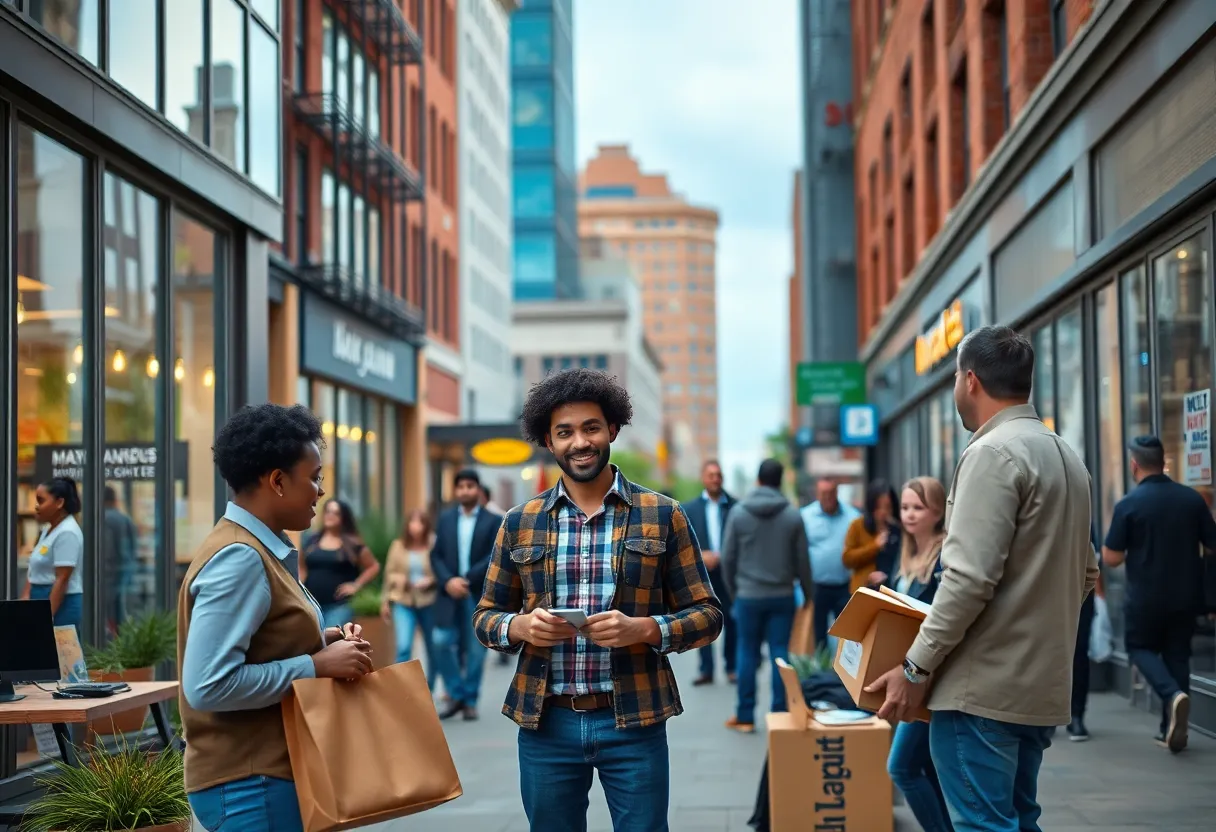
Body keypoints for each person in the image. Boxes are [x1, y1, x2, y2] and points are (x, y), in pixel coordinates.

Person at [866, 325, 1096, 832]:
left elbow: (967, 581)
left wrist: (913, 669)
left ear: (970, 381)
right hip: (1038, 686)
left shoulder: (991, 453)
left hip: (982, 689)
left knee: (984, 824)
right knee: (1017, 819)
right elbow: (1087, 573)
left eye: (952, 377)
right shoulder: (1068, 458)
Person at [472, 368, 722, 832]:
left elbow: (708, 615)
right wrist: (520, 627)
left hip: (634, 720)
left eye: (590, 428)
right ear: (548, 440)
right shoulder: (519, 521)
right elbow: (485, 616)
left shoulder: (663, 514)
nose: (579, 442)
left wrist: (644, 629)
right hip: (546, 723)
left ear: (612, 429)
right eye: (564, 432)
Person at [178, 403, 373, 832]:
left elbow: (257, 644)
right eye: (315, 477)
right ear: (278, 481)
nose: (321, 491)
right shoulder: (241, 557)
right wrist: (315, 665)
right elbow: (207, 685)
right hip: (250, 783)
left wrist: (323, 641)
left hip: (260, 778)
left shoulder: (256, 547)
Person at [1102, 434, 1216, 753]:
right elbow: (1212, 544)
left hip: (1146, 597)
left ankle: (1170, 694)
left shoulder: (1129, 504)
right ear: (1162, 462)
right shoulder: (1191, 500)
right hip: (1186, 596)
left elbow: (1111, 556)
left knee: (1138, 648)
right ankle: (1171, 728)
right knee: (1178, 654)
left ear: (1134, 464)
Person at [870, 477, 953, 832]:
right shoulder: (905, 554)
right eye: (904, 507)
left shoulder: (945, 557)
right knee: (928, 768)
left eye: (918, 507)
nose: (909, 514)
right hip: (908, 670)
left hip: (929, 676)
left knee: (902, 767)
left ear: (938, 511)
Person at [720, 458, 813, 734]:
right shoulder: (792, 515)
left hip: (748, 596)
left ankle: (745, 716)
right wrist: (808, 594)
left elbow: (727, 559)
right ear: (780, 481)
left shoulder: (738, 513)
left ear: (759, 480)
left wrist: (735, 592)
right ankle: (780, 713)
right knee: (780, 653)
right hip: (782, 595)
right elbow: (803, 561)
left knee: (746, 652)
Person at [432, 468, 500, 720]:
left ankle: (469, 700)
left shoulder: (493, 521)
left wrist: (465, 579)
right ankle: (456, 693)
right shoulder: (445, 519)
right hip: (449, 593)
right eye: (461, 487)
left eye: (470, 486)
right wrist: (448, 580)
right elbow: (435, 554)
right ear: (455, 490)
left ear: (478, 490)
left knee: (476, 650)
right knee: (440, 641)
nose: (465, 491)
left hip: (478, 593)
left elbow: (493, 555)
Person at [682, 459, 738, 685]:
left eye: (718, 475)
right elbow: (683, 540)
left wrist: (724, 555)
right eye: (711, 475)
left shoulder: (735, 506)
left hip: (728, 572)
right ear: (703, 478)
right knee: (702, 619)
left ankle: (732, 666)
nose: (715, 479)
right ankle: (706, 669)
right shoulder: (689, 508)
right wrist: (700, 555)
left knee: (731, 620)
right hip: (701, 572)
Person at [300, 498, 381, 629]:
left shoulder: (352, 544)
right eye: (328, 511)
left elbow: (373, 566)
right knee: (312, 644)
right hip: (311, 604)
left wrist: (356, 585)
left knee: (330, 641)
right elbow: (302, 567)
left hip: (339, 605)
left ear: (344, 517)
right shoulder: (311, 541)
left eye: (335, 513)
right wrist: (299, 588)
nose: (330, 515)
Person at [800, 478, 860, 649]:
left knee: (847, 633)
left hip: (845, 585)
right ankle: (822, 669)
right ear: (817, 494)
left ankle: (843, 670)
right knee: (818, 632)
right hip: (816, 586)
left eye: (831, 493)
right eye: (823, 494)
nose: (827, 498)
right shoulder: (805, 517)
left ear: (837, 493)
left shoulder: (853, 517)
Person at [380, 509, 438, 680]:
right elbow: (388, 573)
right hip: (402, 600)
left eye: (420, 523)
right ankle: (400, 687)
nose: (416, 527)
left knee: (432, 647)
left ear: (426, 525)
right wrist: (385, 601)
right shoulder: (398, 545)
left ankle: (429, 689)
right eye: (412, 522)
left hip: (429, 600)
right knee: (403, 646)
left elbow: (442, 569)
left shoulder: (434, 543)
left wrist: (430, 580)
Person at [22, 476, 85, 630]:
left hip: (60, 604)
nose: (36, 506)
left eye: (41, 501)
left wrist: (46, 616)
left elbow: (62, 579)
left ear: (59, 503)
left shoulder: (67, 532)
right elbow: (35, 567)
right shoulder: (48, 529)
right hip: (41, 600)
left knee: (62, 653)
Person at [843, 479, 901, 592]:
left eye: (888, 507)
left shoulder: (898, 528)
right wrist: (874, 546)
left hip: (892, 591)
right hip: (864, 590)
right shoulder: (858, 525)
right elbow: (847, 559)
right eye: (878, 507)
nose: (883, 512)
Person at [103, 485, 139, 628]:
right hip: (125, 571)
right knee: (122, 612)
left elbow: (106, 550)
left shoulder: (102, 519)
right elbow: (133, 546)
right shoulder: (126, 519)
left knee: (108, 614)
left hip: (108, 574)